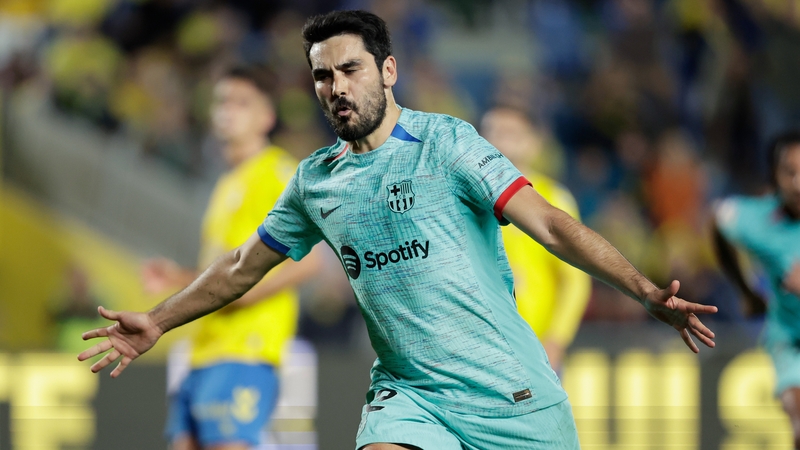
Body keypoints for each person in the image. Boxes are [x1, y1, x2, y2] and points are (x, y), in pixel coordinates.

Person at [79, 10, 717, 450]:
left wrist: (644, 290)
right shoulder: (314, 181)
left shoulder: (446, 143)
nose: (335, 88)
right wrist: (159, 320)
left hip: (511, 389)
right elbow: (242, 265)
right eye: (323, 76)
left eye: (350, 70)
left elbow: (549, 225)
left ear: (387, 71)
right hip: (409, 393)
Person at [139, 65, 322, 450]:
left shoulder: (279, 173)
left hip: (246, 350)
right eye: (222, 101)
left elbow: (309, 261)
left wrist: (247, 293)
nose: (227, 111)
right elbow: (225, 272)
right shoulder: (225, 184)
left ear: (267, 116)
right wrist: (178, 277)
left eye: (242, 103)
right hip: (203, 349)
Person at [481, 105, 591, 371]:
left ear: (532, 144)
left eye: (509, 133)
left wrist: (556, 340)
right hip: (481, 353)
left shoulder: (553, 199)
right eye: (490, 132)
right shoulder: (467, 200)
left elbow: (575, 281)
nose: (498, 141)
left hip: (537, 350)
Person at [712, 130, 800, 449]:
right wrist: (745, 290)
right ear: (774, 176)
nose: (799, 183)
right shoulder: (758, 219)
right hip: (791, 340)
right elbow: (720, 223)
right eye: (790, 172)